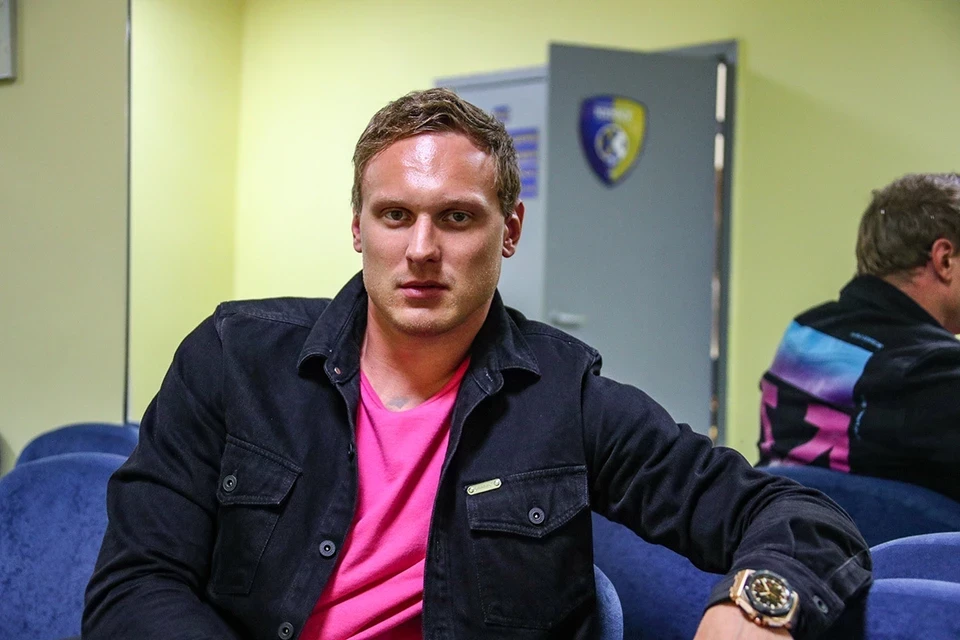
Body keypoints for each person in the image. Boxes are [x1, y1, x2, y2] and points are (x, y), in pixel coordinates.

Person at [84, 89, 870, 640]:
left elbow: (801, 518)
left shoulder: (566, 398)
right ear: (358, 228)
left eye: (457, 218)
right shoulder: (232, 360)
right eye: (396, 215)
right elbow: (135, 585)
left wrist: (757, 605)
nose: (422, 249)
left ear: (510, 230)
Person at [758, 173, 960, 502]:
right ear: (944, 259)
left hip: (780, 528)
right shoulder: (931, 369)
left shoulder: (804, 332)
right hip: (880, 536)